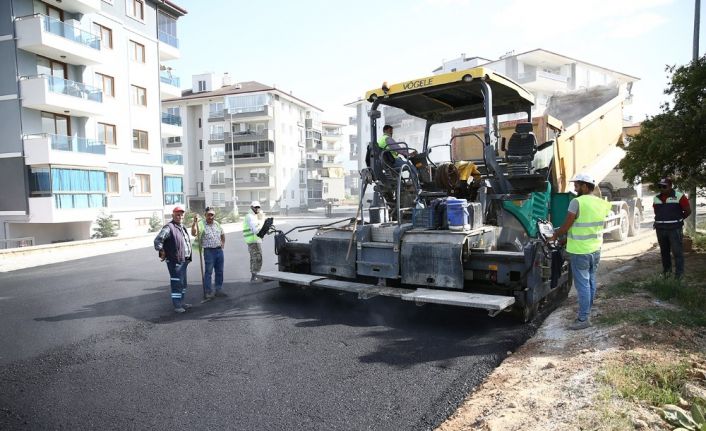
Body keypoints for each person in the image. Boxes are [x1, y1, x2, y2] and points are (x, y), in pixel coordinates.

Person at [550, 173, 611, 330]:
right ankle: (587, 312)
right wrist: (565, 239)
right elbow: (587, 226)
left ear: (585, 186)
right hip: (595, 249)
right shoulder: (601, 203)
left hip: (580, 251)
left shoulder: (576, 202)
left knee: (583, 284)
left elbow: (567, 225)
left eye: (577, 185)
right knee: (591, 280)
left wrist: (555, 235)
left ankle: (583, 319)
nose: (575, 188)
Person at [154, 206, 193, 313]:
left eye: (181, 215)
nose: (180, 216)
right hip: (175, 261)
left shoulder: (182, 227)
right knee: (176, 283)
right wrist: (161, 251)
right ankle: (177, 305)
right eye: (177, 214)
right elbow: (158, 240)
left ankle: (181, 302)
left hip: (183, 260)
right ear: (173, 215)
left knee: (183, 283)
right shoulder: (169, 227)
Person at [653, 177, 691, 279]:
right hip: (660, 229)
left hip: (674, 228)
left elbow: (688, 211)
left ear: (670, 186)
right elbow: (657, 212)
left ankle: (679, 275)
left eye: (664, 186)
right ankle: (667, 273)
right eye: (660, 186)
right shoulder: (656, 198)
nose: (662, 188)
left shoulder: (679, 196)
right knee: (664, 252)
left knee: (677, 252)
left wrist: (678, 219)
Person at [191, 207, 227, 300]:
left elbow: (222, 234)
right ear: (205, 215)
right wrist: (194, 223)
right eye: (208, 215)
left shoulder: (217, 224)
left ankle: (218, 290)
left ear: (214, 215)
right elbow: (194, 233)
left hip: (219, 251)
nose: (210, 216)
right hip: (209, 252)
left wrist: (222, 243)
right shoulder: (201, 224)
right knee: (209, 272)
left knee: (220, 271)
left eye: (212, 215)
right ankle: (208, 292)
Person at [243, 200, 264, 282]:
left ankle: (254, 275)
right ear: (251, 207)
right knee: (258, 258)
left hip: (254, 240)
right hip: (253, 241)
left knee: (253, 258)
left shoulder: (254, 216)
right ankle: (255, 275)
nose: (257, 208)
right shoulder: (250, 216)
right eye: (255, 207)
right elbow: (256, 230)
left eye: (258, 207)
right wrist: (261, 221)